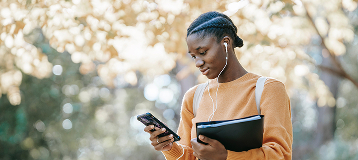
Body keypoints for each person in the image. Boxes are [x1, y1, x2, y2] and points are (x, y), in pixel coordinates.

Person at [144, 11, 293, 160]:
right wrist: (170, 147)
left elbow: (280, 155)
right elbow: (188, 156)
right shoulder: (193, 97)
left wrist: (226, 156)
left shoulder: (267, 89)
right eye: (194, 56)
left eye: (203, 52)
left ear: (226, 43)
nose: (198, 63)